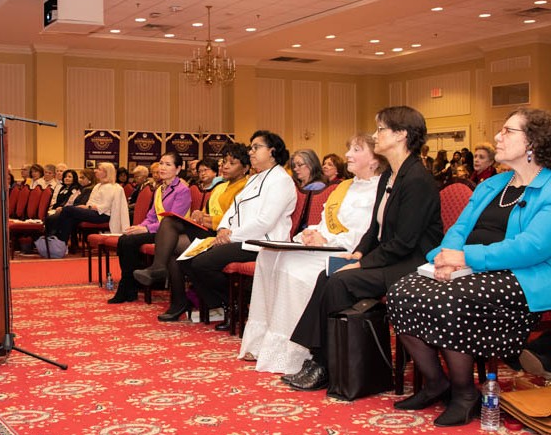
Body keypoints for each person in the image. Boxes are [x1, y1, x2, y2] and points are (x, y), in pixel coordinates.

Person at [387, 107, 551, 426]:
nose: (497, 137)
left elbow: (532, 247)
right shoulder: (493, 185)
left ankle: (465, 393)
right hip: (466, 266)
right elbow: (457, 230)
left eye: (507, 132)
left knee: (449, 299)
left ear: (533, 141)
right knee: (400, 291)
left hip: (522, 275)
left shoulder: (548, 188)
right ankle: (437, 382)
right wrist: (442, 257)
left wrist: (465, 259)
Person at [285, 106, 443, 391]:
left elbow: (405, 242)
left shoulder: (418, 180)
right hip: (390, 257)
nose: (376, 135)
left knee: (341, 281)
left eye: (381, 129)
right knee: (327, 274)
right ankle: (320, 359)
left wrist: (362, 264)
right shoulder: (390, 176)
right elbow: (375, 229)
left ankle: (325, 363)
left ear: (401, 135)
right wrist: (357, 253)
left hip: (412, 263)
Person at [239, 134, 386, 373]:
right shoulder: (346, 187)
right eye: (349, 149)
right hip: (326, 244)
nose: (347, 154)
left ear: (374, 161)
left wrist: (326, 238)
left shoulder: (378, 191)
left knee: (293, 269)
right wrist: (311, 233)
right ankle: (264, 342)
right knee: (268, 256)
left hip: (348, 253)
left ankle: (296, 352)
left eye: (356, 150)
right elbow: (324, 223)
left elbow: (364, 235)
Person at [171, 131, 297, 328]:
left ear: (272, 151)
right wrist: (222, 229)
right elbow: (232, 210)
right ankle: (229, 304)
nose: (251, 151)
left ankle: (235, 303)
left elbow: (265, 221)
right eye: (251, 147)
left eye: (256, 147)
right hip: (239, 238)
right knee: (187, 259)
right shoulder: (255, 179)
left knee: (203, 263)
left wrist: (231, 236)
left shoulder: (281, 180)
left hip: (262, 242)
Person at [133, 143, 250, 319]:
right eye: (224, 161)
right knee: (172, 240)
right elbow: (209, 212)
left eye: (231, 163)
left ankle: (161, 273)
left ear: (246, 168)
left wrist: (207, 219)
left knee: (171, 224)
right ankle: (177, 299)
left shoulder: (245, 187)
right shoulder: (220, 187)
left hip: (224, 234)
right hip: (209, 229)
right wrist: (200, 215)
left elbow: (235, 220)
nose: (225, 166)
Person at [108, 152, 191, 303]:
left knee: (128, 242)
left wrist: (146, 229)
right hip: (156, 228)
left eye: (168, 164)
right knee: (125, 238)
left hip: (171, 234)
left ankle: (127, 286)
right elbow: (152, 215)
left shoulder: (182, 190)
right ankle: (129, 286)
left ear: (178, 169)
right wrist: (140, 227)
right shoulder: (160, 189)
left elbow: (173, 220)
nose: (162, 168)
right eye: (161, 163)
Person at [51, 162, 127, 246]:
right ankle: (62, 244)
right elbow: (90, 202)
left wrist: (88, 207)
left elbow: (105, 207)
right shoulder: (98, 186)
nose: (95, 171)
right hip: (93, 211)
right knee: (70, 217)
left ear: (106, 173)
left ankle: (58, 240)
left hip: (103, 215)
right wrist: (86, 207)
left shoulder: (112, 187)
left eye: (99, 169)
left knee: (68, 209)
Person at [44, 169, 81, 234]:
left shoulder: (74, 189)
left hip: (66, 210)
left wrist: (61, 208)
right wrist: (52, 208)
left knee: (51, 218)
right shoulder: (62, 188)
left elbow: (70, 202)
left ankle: (53, 236)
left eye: (69, 177)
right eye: (65, 177)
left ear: (74, 179)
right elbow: (58, 201)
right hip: (57, 209)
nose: (66, 178)